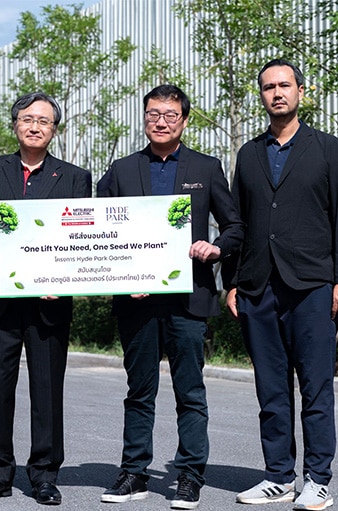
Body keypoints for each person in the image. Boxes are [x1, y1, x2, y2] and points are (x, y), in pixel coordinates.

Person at [222, 59, 338, 510]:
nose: (277, 93)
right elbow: (236, 222)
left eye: (284, 85)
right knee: (271, 389)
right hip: (258, 287)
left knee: (316, 387)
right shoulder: (248, 154)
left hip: (313, 286)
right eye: (268, 87)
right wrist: (232, 281)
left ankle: (317, 479)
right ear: (261, 95)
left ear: (301, 90)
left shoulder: (329, 149)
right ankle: (278, 476)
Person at [97, 84, 239, 510]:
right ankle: (134, 473)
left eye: (170, 114)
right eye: (153, 114)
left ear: (184, 120)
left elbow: (234, 227)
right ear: (144, 118)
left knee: (190, 392)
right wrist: (121, 274)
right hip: (136, 299)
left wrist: (216, 248)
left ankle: (190, 475)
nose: (161, 122)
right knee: (139, 391)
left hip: (188, 298)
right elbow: (99, 230)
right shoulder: (121, 170)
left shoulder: (206, 167)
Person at [0, 92, 92, 506]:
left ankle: (45, 475)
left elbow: (82, 237)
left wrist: (65, 278)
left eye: (44, 121)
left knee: (47, 391)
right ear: (15, 124)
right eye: (28, 119)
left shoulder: (75, 177)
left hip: (50, 301)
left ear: (54, 130)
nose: (35, 126)